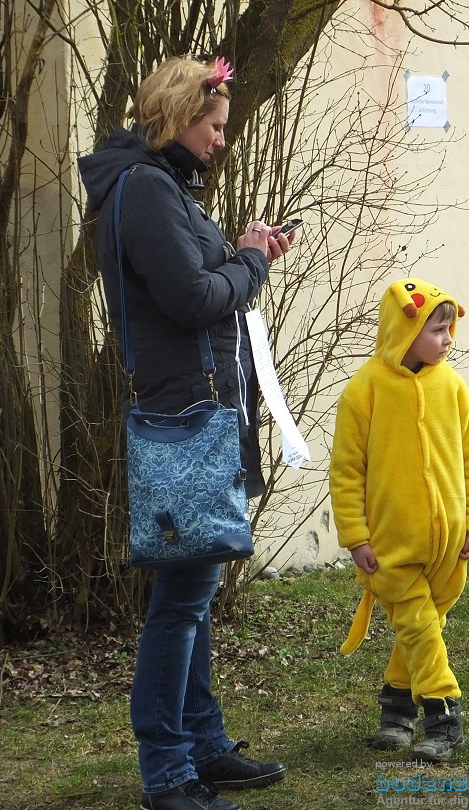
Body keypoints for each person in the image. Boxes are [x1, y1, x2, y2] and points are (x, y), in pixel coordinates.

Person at [78, 56, 292, 810]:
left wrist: (237, 249)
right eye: (215, 126)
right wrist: (252, 261)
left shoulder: (159, 190)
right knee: (183, 595)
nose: (222, 142)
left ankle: (201, 741)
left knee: (193, 590)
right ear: (177, 117)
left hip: (203, 412)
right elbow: (197, 297)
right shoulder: (143, 190)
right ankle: (167, 768)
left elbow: (196, 279)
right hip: (187, 418)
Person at [330, 278, 469, 763]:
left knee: (420, 626)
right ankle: (444, 715)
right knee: (421, 629)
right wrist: (356, 536)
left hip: (449, 545)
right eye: (438, 329)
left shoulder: (454, 386)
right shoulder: (365, 391)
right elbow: (345, 471)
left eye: (450, 330)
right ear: (405, 329)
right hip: (390, 547)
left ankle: (396, 709)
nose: (448, 339)